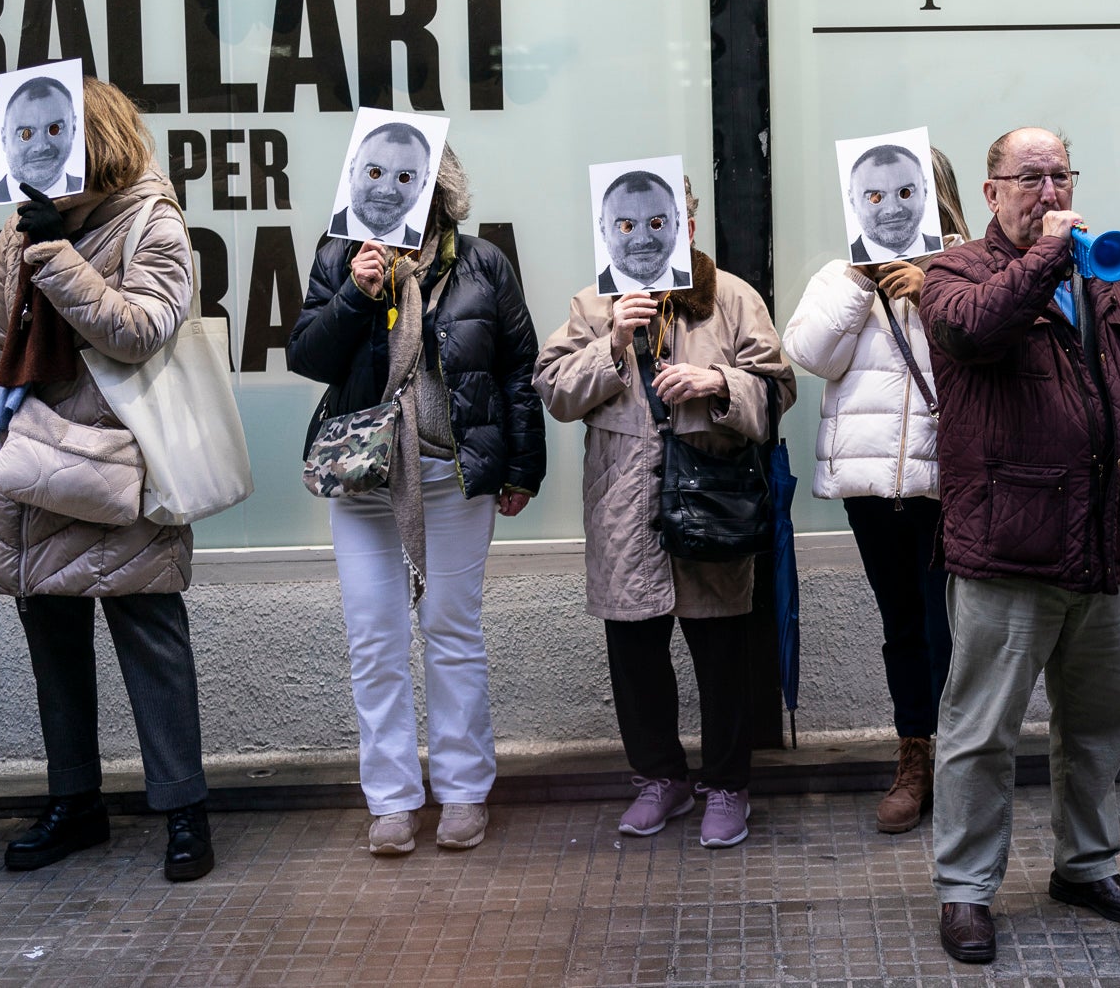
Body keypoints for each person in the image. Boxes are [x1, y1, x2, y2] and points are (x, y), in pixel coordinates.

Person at [0, 77, 213, 881]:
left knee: (150, 632)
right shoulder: (18, 230)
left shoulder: (151, 218)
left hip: (118, 465)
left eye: (51, 132)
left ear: (93, 136)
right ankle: (76, 801)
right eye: (22, 135)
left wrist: (55, 256)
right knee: (52, 638)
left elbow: (141, 329)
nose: (31, 149)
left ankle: (184, 808)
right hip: (29, 460)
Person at [920, 128, 1120, 965]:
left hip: (1098, 544)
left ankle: (1086, 864)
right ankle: (964, 890)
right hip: (1006, 545)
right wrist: (1047, 260)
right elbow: (973, 334)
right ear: (991, 191)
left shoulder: (1106, 274)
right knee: (980, 727)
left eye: (1060, 172)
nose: (1049, 188)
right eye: (1030, 176)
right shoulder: (957, 271)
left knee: (1100, 720)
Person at [290, 145, 545, 857]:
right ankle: (393, 799)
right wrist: (354, 294)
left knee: (452, 630)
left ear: (440, 183)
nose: (393, 186)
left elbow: (517, 368)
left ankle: (464, 791)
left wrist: (522, 466)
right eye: (377, 173)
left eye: (411, 173)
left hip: (453, 477)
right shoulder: (341, 253)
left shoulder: (482, 263)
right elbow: (308, 355)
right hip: (369, 478)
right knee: (375, 637)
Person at [534, 176, 793, 849]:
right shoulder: (594, 303)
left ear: (689, 220)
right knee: (635, 648)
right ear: (608, 228)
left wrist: (719, 383)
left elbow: (779, 388)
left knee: (723, 650)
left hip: (714, 496)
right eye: (627, 223)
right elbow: (555, 392)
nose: (643, 234)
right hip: (624, 503)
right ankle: (659, 777)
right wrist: (613, 342)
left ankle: (728, 784)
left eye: (661, 219)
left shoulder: (732, 296)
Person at [783, 147, 969, 834]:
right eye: (875, 195)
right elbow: (807, 353)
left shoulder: (966, 268)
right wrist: (861, 285)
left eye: (907, 191)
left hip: (946, 481)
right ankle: (913, 753)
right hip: (871, 487)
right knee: (902, 626)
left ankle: (961, 759)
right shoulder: (840, 275)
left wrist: (932, 286)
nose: (890, 206)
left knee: (952, 625)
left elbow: (986, 359)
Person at [330, 121, 434, 248]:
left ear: (424, 182)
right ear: (352, 170)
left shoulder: (432, 248)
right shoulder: (325, 241)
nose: (386, 189)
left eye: (404, 177)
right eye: (375, 172)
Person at [597, 170, 692, 295]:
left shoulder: (712, 290)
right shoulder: (584, 306)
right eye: (627, 226)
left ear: (677, 223)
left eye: (657, 223)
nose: (643, 239)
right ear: (603, 230)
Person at [0, 75, 83, 202]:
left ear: (73, 128)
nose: (41, 146)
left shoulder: (96, 196)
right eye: (26, 134)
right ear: (4, 139)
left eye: (54, 129)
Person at [848, 143, 943, 262]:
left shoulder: (953, 248)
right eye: (875, 197)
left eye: (905, 192)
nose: (892, 209)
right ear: (852, 202)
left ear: (925, 190)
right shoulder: (838, 271)